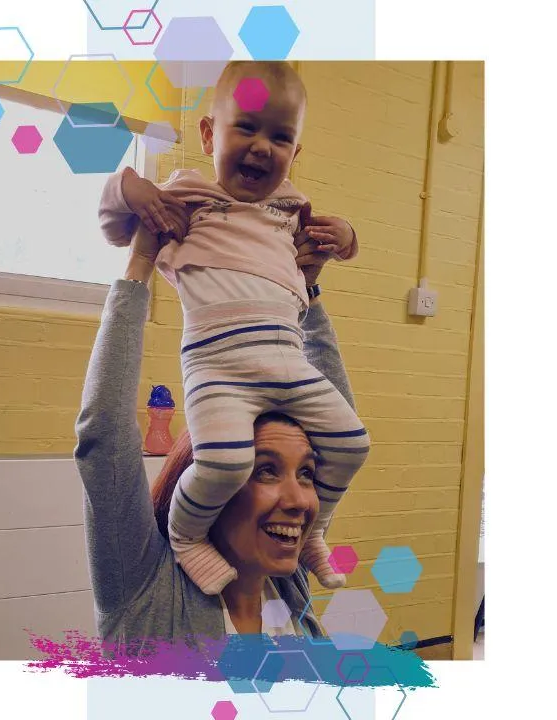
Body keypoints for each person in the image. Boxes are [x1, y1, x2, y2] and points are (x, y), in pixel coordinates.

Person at [98, 61, 370, 596]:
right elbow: (112, 222)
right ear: (208, 133)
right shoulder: (187, 200)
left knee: (352, 442)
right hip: (217, 369)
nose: (262, 146)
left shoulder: (289, 211)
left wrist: (347, 235)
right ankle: (185, 536)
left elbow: (343, 245)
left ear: (295, 154)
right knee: (223, 460)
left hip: (287, 362)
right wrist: (132, 188)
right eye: (245, 127)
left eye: (281, 136)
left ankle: (316, 529)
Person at [75, 219, 361, 642]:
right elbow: (105, 438)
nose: (299, 499)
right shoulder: (145, 588)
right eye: (265, 470)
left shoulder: (288, 583)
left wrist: (307, 293)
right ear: (208, 478)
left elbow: (336, 432)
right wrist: (140, 262)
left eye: (305, 474)